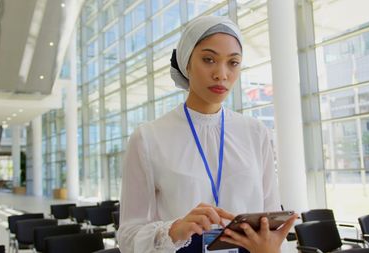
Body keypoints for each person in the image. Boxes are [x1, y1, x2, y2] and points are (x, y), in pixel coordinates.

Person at [117, 15, 297, 253]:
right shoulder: (149, 138)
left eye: (233, 63)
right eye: (209, 59)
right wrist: (175, 230)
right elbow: (128, 237)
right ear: (186, 63)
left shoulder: (256, 133)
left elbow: (271, 223)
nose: (221, 74)